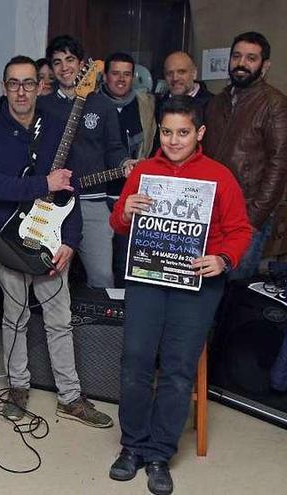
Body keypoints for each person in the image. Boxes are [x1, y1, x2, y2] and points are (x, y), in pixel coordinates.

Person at [108, 95, 251, 495]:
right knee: (135, 361)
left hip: (197, 282)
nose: (173, 141)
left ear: (199, 133)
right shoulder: (144, 172)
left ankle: (159, 453)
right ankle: (132, 446)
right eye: (167, 132)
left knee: (177, 368)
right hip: (148, 278)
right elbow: (119, 224)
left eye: (183, 133)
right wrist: (125, 210)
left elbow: (241, 230)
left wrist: (223, 258)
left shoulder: (220, 176)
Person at [0, 55, 113, 428]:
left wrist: (71, 239)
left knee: (59, 320)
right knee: (15, 318)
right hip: (9, 240)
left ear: (40, 86)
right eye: (13, 83)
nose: (21, 91)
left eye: (28, 83)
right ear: (4, 88)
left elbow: (72, 187)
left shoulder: (57, 126)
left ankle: (70, 396)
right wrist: (42, 184)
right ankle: (18, 387)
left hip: (52, 238)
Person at [41, 35, 133, 288]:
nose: (64, 67)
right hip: (53, 203)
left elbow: (114, 148)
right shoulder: (43, 106)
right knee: (50, 276)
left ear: (82, 64)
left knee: (102, 276)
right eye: (57, 62)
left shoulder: (103, 105)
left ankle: (100, 329)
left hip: (92, 202)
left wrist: (124, 162)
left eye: (70, 60)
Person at [204, 31, 287, 280]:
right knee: (208, 285)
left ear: (264, 66)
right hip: (210, 213)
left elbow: (281, 165)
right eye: (236, 56)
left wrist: (253, 218)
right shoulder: (218, 102)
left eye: (251, 58)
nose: (241, 64)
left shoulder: (275, 104)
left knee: (235, 286)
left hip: (245, 217)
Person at [97, 52, 156, 286]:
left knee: (125, 262)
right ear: (105, 76)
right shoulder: (91, 103)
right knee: (97, 265)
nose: (121, 79)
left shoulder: (147, 105)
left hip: (131, 197)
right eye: (115, 73)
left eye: (127, 74)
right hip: (98, 194)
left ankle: (121, 316)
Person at [151, 51, 213, 154]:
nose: (175, 78)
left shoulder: (213, 105)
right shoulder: (156, 106)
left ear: (194, 73)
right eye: (169, 73)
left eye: (181, 72)